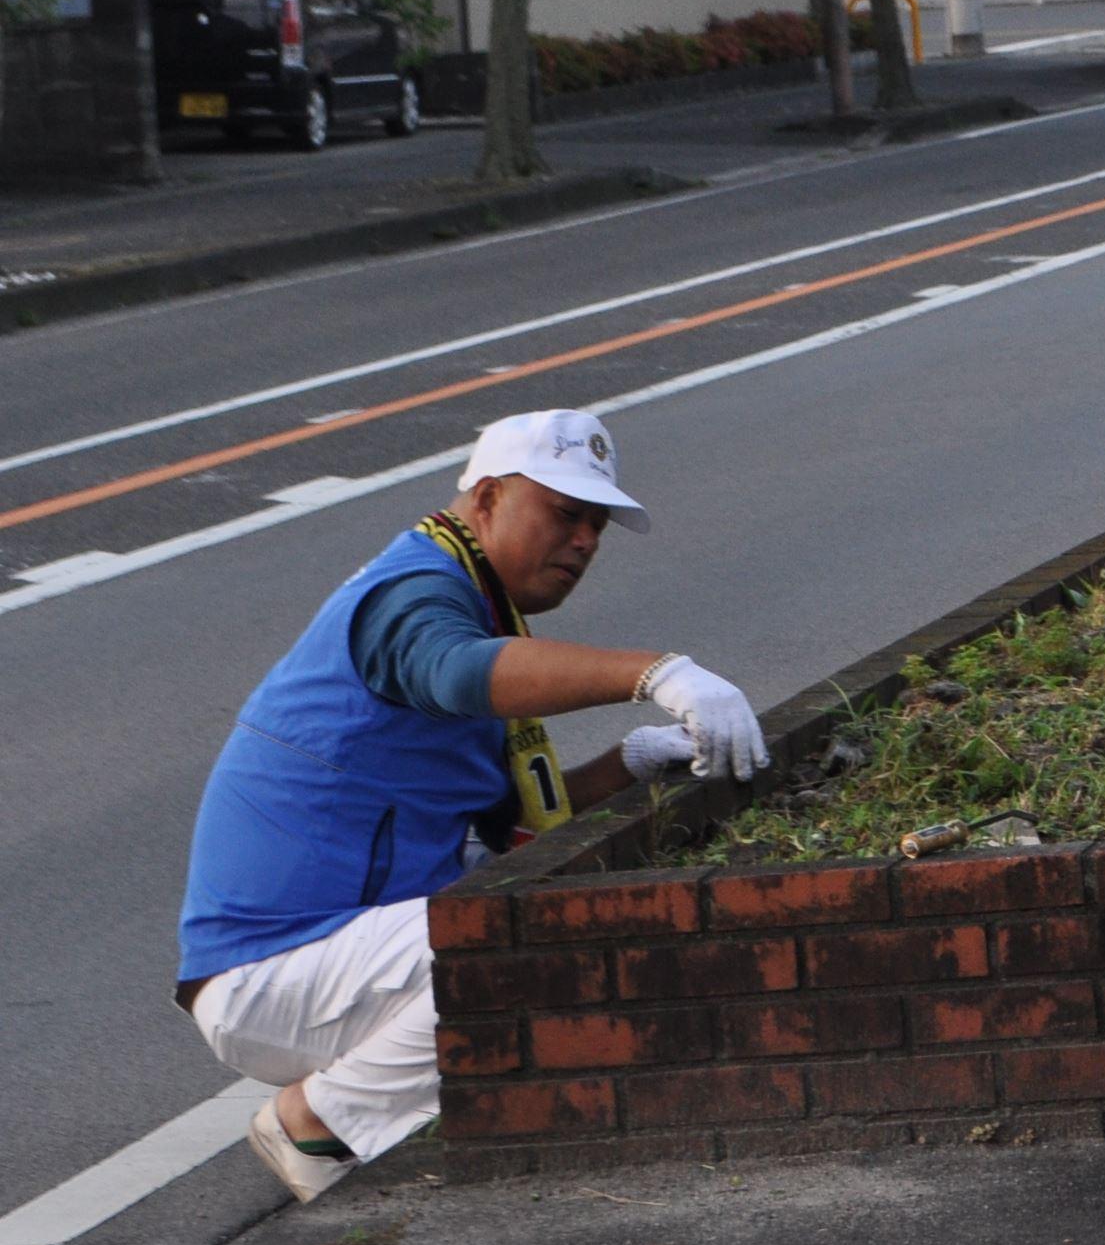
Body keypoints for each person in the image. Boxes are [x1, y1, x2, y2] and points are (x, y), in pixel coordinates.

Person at [176, 412, 762, 1204]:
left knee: (536, 920)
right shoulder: (414, 589)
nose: (585, 539)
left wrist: (631, 762)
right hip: (273, 965)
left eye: (596, 522)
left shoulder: (473, 599)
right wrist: (659, 672)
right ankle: (316, 1120)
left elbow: (519, 828)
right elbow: (453, 671)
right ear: (486, 497)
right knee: (527, 941)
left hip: (333, 953)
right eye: (564, 512)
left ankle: (365, 1114)